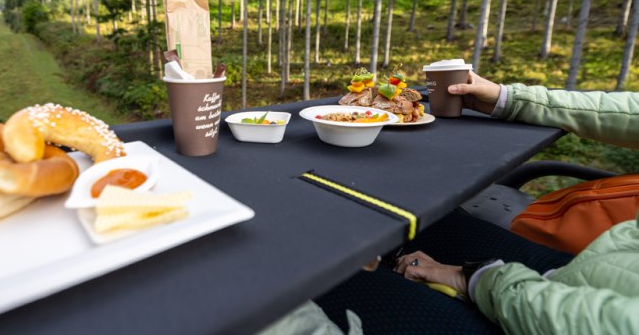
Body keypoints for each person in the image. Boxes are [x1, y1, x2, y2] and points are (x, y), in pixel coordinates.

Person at [261, 73, 639, 335]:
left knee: (319, 275)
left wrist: (475, 278)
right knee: (438, 223)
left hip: (557, 313)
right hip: (596, 272)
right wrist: (510, 98)